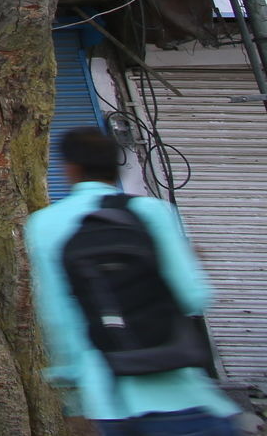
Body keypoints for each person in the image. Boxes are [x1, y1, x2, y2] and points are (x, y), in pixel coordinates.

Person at [24, 127, 239, 435]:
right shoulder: (153, 211)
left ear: (69, 167)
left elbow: (56, 315)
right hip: (184, 391)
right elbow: (194, 296)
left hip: (112, 401)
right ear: (117, 165)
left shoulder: (44, 225)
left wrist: (72, 384)